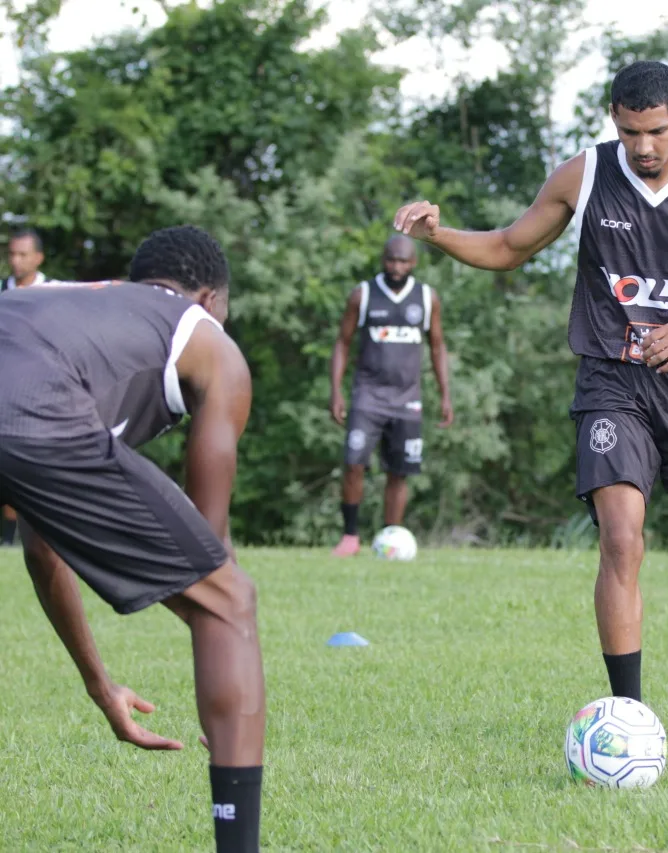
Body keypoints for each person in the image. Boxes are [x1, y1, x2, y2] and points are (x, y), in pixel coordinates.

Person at [393, 60, 668, 703]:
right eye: (631, 132)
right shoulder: (589, 172)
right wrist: (439, 235)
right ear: (614, 120)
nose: (644, 147)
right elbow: (507, 247)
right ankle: (626, 713)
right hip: (612, 385)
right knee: (622, 540)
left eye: (657, 131)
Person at [0, 226, 264, 852]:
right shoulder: (208, 341)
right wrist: (224, 690)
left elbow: (43, 544)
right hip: (32, 412)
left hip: (28, 406)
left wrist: (100, 683)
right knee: (230, 602)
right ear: (207, 299)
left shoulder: (75, 317)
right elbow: (210, 552)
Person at [329, 235, 453, 555]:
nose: (397, 267)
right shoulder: (364, 294)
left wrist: (445, 395)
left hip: (407, 397)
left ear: (414, 263)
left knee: (400, 472)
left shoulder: (427, 298)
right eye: (391, 260)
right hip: (367, 395)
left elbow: (438, 347)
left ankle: (389, 539)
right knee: (354, 462)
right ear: (383, 260)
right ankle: (350, 536)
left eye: (403, 261)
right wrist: (336, 392)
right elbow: (342, 343)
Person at [1, 228, 48, 545]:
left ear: (38, 258)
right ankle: (7, 543)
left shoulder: (54, 293)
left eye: (22, 254)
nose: (15, 261)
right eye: (11, 254)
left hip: (37, 391)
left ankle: (23, 541)